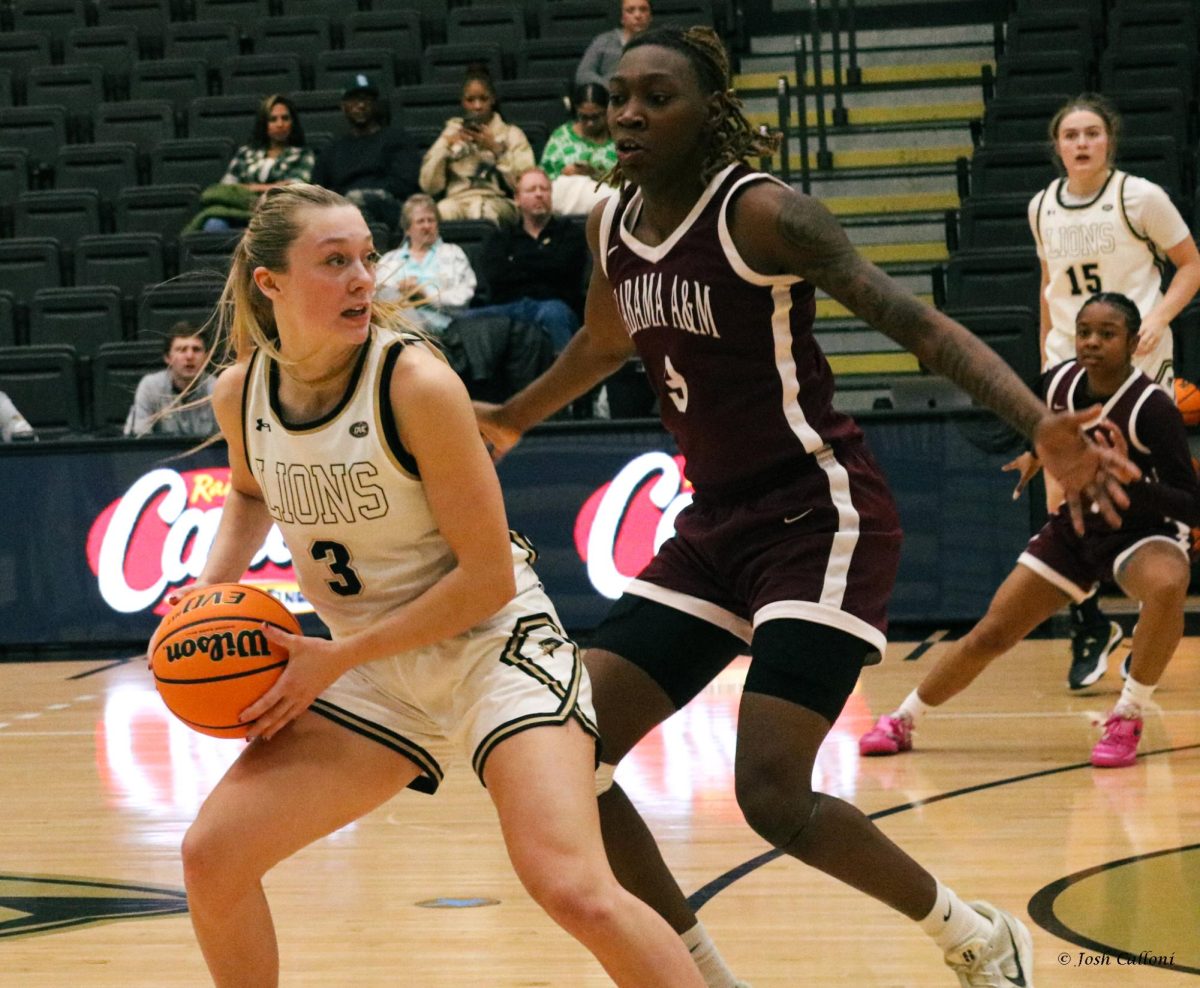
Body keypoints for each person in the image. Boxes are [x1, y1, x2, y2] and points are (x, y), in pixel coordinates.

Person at [476, 27, 1138, 987]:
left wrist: (1042, 424)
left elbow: (914, 321)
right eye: (618, 96)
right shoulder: (608, 224)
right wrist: (508, 419)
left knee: (772, 793)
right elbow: (602, 343)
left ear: (709, 110)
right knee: (567, 752)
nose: (626, 113)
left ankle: (973, 934)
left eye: (656, 97)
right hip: (713, 526)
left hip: (819, 511)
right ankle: (702, 975)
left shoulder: (765, 215)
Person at [172, 183, 706, 988]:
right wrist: (206, 595)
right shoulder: (239, 394)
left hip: (497, 650)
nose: (362, 279)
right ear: (269, 283)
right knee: (212, 856)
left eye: (365, 259)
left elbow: (488, 580)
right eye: (334, 262)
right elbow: (249, 490)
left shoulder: (414, 385)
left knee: (575, 889)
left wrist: (339, 656)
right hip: (377, 670)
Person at [860, 293, 1199, 769]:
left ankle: (1128, 713)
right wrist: (1034, 456)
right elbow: (1043, 431)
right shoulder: (1057, 382)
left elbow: (1191, 502)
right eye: (1085, 332)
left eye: (1107, 334)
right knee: (991, 633)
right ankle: (903, 717)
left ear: (1132, 342)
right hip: (1077, 528)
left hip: (1144, 531)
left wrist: (1133, 484)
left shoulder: (1151, 407)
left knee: (1166, 586)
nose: (1092, 342)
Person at [1030, 92, 1200, 691]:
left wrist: (1158, 319)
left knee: (1131, 486)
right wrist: (1045, 359)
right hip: (1067, 364)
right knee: (1064, 496)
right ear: (1057, 145)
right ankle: (1089, 621)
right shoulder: (1041, 206)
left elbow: (1190, 264)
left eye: (1092, 133)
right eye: (1071, 134)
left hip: (1134, 362)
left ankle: (1158, 596)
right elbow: (1049, 287)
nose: (1081, 143)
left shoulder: (1139, 197)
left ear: (1109, 141)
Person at [468, 167, 588, 352]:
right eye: (531, 190)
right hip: (508, 307)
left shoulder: (570, 232)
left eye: (544, 189)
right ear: (517, 199)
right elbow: (496, 277)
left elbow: (564, 270)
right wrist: (544, 260)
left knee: (553, 313)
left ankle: (570, 379)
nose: (539, 194)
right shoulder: (500, 237)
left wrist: (516, 261)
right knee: (461, 321)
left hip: (555, 306)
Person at [418, 67, 535, 225]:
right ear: (462, 102)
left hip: (496, 200)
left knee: (482, 212)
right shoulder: (450, 133)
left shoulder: (511, 134)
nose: (477, 106)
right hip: (457, 199)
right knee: (440, 212)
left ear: (493, 99)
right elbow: (429, 186)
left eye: (483, 99)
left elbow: (526, 185)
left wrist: (497, 151)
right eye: (470, 100)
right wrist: (444, 149)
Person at [310, 74, 423, 231]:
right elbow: (318, 189)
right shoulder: (333, 148)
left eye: (366, 100)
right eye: (354, 100)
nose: (361, 105)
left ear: (376, 105)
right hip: (345, 210)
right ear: (343, 106)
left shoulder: (396, 139)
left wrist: (366, 194)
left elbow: (406, 183)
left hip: (387, 210)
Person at [189, 94, 315, 233]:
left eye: (285, 118)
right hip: (239, 209)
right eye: (273, 119)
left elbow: (296, 187)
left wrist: (249, 187)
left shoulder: (303, 155)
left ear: (293, 122)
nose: (280, 124)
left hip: (277, 212)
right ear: (264, 124)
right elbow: (228, 187)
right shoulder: (246, 153)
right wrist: (269, 187)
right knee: (214, 225)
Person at [375, 193, 476, 332]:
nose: (427, 226)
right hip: (397, 324)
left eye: (431, 220)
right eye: (420, 221)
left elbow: (463, 298)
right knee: (386, 293)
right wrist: (401, 290)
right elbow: (379, 301)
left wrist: (426, 295)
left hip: (443, 327)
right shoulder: (390, 259)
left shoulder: (453, 253)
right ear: (407, 229)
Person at [124, 322, 217, 438]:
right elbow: (138, 438)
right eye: (182, 350)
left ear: (206, 357)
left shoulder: (218, 389)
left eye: (196, 349)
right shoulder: (150, 387)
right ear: (167, 357)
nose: (189, 356)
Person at [541, 83, 618, 216]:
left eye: (596, 117)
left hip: (609, 209)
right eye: (584, 117)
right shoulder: (562, 136)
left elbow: (630, 181)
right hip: (564, 209)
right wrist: (563, 173)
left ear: (607, 111)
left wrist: (595, 174)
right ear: (576, 111)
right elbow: (543, 177)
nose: (590, 123)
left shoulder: (620, 139)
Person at [575, 0, 653, 88]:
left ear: (650, 16)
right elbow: (583, 74)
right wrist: (609, 86)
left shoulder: (657, 44)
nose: (638, 15)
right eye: (630, 10)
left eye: (643, 10)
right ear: (621, 18)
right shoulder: (604, 42)